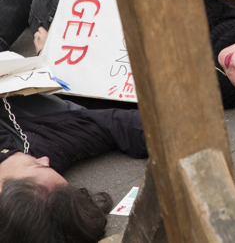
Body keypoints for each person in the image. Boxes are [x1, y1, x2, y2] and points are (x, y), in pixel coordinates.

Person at [0, 94, 147, 243]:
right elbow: (119, 125)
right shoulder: (46, 144)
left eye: (37, 164)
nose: (45, 159)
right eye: (40, 165)